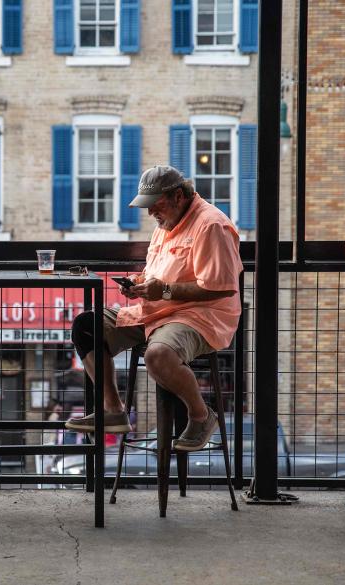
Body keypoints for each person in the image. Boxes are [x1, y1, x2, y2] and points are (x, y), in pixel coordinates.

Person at [65, 165, 243, 452]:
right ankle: (113, 410)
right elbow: (155, 272)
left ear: (177, 196)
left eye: (155, 205)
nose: (150, 213)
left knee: (158, 354)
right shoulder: (165, 224)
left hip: (200, 314)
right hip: (157, 310)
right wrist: (137, 284)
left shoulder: (211, 225)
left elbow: (221, 286)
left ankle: (201, 415)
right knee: (86, 325)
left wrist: (166, 290)